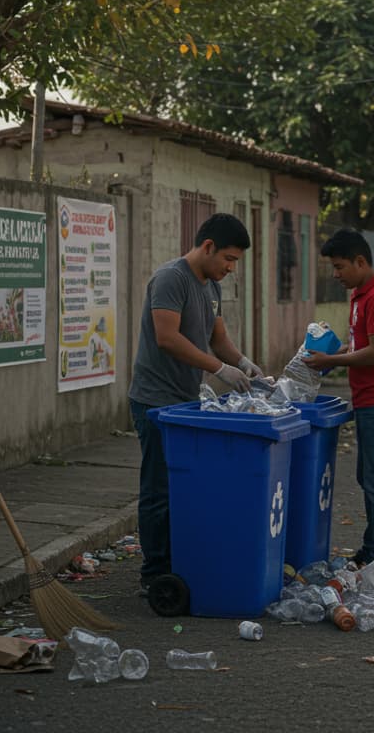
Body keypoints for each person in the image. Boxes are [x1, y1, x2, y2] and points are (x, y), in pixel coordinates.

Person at [129, 214, 262, 593]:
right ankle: (154, 575)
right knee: (158, 489)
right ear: (207, 247)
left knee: (183, 487)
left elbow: (217, 338)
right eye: (229, 259)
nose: (231, 268)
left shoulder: (210, 287)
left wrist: (243, 365)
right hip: (155, 400)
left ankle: (179, 562)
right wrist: (220, 370)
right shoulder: (172, 278)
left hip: (185, 402)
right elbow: (167, 337)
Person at [304, 229, 374, 564]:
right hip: (369, 398)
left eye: (339, 267)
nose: (335, 274)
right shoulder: (361, 295)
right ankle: (373, 549)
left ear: (360, 261)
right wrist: (331, 353)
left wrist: (330, 360)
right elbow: (360, 345)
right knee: (370, 477)